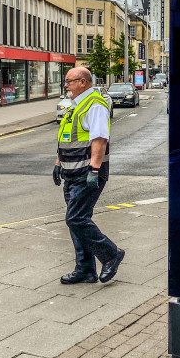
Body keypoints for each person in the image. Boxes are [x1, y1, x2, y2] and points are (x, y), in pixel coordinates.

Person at [53, 67, 125, 284]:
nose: (66, 85)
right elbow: (67, 137)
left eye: (69, 81)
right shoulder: (75, 106)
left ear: (83, 82)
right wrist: (58, 164)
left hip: (87, 173)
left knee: (76, 218)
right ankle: (85, 269)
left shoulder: (95, 104)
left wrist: (94, 170)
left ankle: (111, 254)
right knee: (76, 221)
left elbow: (100, 139)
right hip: (72, 172)